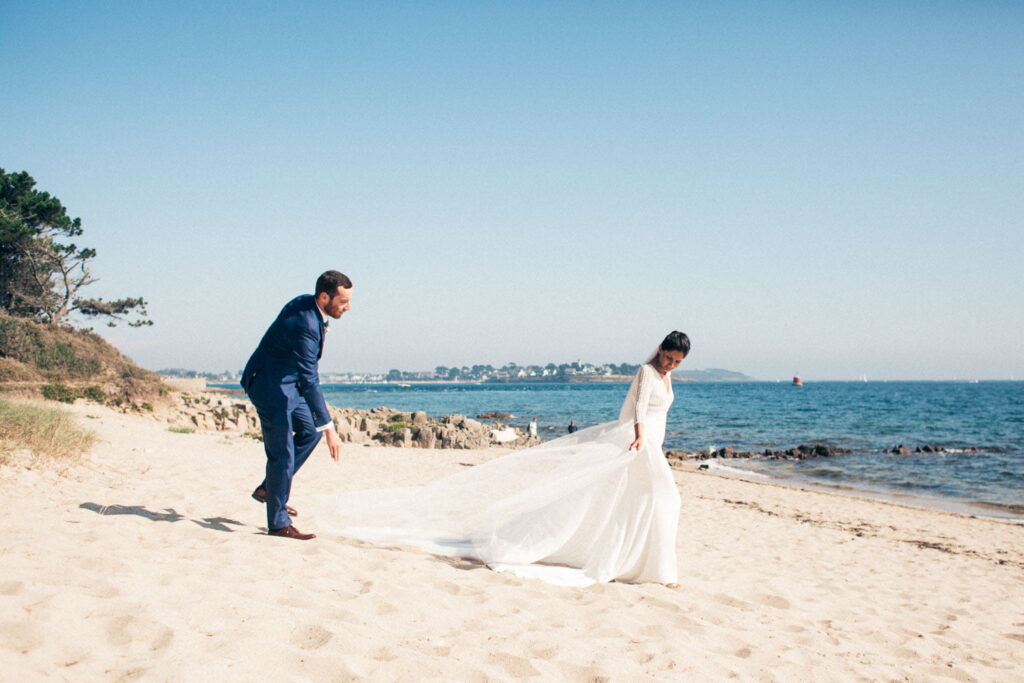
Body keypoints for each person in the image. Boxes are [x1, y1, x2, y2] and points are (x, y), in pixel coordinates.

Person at [317, 331, 690, 587]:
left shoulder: (667, 377)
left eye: (676, 361)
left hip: (651, 444)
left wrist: (654, 438)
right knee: (658, 498)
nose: (670, 364)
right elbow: (639, 408)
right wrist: (641, 436)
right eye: (668, 357)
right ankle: (650, 568)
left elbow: (661, 412)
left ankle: (647, 565)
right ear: (659, 351)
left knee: (646, 501)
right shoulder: (646, 371)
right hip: (637, 442)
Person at [241, 270, 353, 540]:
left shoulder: (308, 306)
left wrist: (322, 427)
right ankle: (278, 524)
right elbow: (310, 378)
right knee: (283, 453)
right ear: (324, 296)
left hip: (287, 384)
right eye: (342, 302)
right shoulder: (306, 323)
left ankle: (270, 489)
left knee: (310, 431)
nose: (348, 308)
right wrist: (331, 430)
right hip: (270, 387)